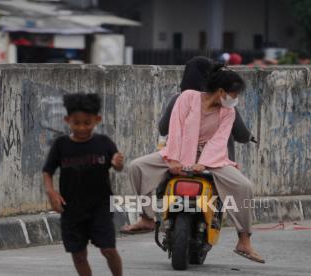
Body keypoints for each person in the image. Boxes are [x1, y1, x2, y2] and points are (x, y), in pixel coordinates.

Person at [122, 64, 265, 264]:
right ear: (221, 91)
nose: (235, 98)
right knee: (137, 167)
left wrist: (204, 162)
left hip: (213, 159)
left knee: (244, 186)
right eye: (233, 93)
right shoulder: (188, 97)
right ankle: (146, 217)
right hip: (177, 152)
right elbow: (176, 128)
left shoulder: (228, 112)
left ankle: (244, 240)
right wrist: (173, 158)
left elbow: (219, 140)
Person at [42, 93, 124, 276]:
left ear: (97, 120)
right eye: (76, 123)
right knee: (79, 255)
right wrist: (51, 193)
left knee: (108, 250)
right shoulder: (61, 145)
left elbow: (117, 165)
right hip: (71, 210)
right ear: (67, 120)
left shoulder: (104, 143)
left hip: (101, 206)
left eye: (87, 123)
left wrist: (119, 163)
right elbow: (47, 171)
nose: (81, 128)